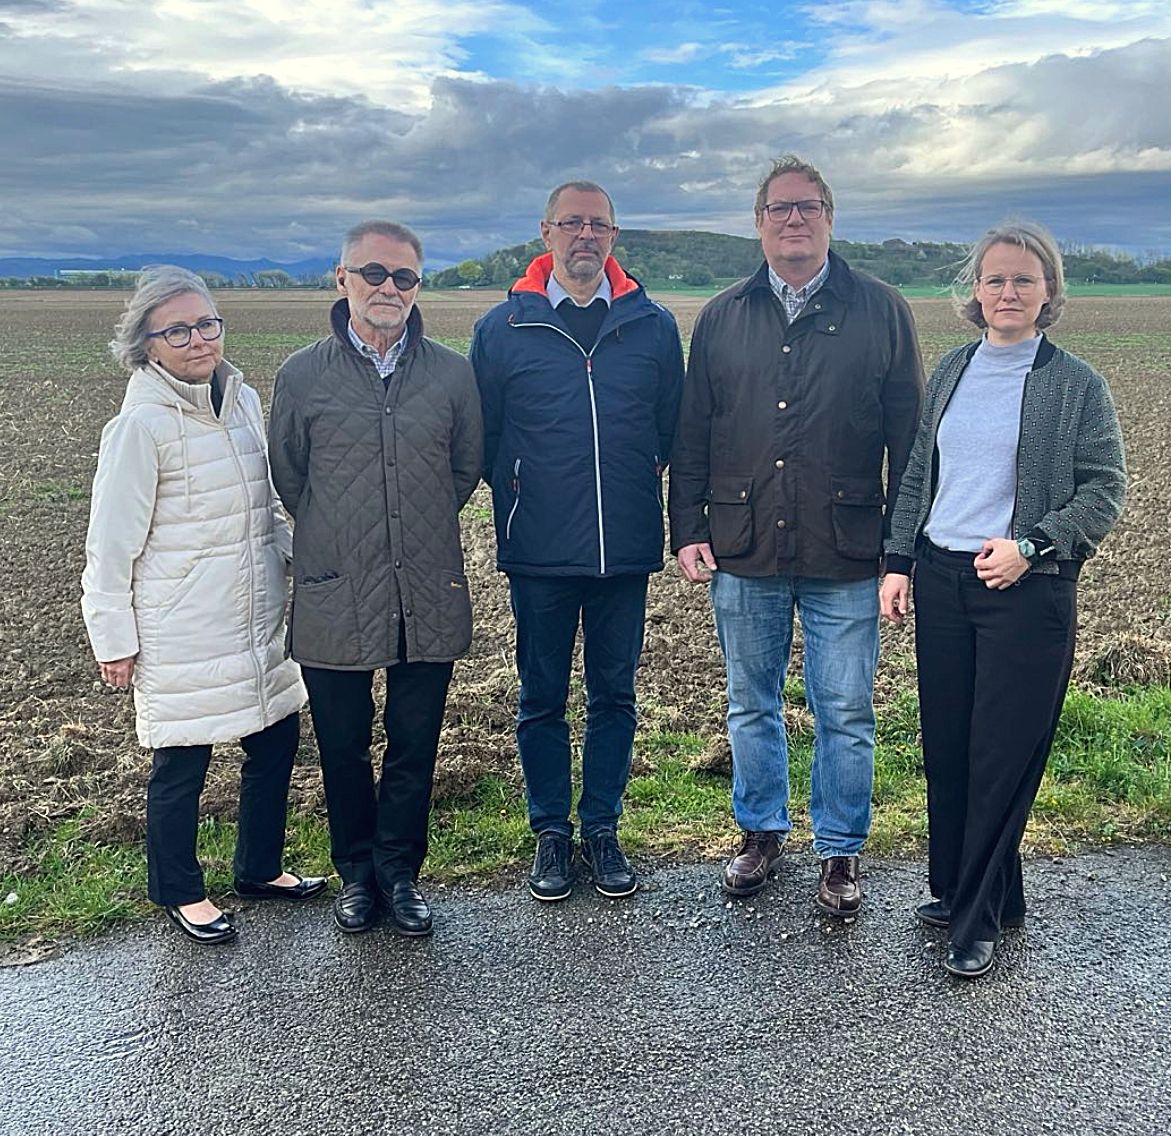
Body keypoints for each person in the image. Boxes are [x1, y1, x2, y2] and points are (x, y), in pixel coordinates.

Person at [669, 155, 924, 915]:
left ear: (830, 218)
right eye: (779, 208)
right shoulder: (722, 315)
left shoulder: (881, 309)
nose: (793, 220)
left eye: (808, 207)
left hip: (846, 548)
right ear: (758, 222)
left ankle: (841, 850)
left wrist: (899, 548)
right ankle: (761, 834)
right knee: (750, 703)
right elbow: (693, 434)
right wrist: (687, 526)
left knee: (845, 707)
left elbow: (910, 442)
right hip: (744, 546)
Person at [880, 220, 1125, 978]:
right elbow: (921, 472)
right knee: (950, 748)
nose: (1008, 292)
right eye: (994, 279)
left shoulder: (1075, 383)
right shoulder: (953, 371)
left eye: (1024, 279)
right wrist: (897, 563)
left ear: (1048, 291)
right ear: (975, 292)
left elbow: (1105, 489)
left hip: (1025, 589)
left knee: (1001, 754)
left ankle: (977, 918)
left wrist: (1034, 546)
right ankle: (969, 889)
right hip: (943, 578)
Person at [81, 266, 324, 947]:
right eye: (177, 330)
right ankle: (180, 890)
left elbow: (268, 503)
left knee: (275, 740)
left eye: (206, 324)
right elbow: (110, 545)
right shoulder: (140, 427)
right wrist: (113, 637)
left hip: (256, 614)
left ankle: (259, 870)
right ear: (147, 345)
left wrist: (304, 557)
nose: (197, 340)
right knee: (181, 760)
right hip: (181, 623)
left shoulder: (241, 401)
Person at [470, 181, 684, 901]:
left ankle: (602, 828)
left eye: (599, 225)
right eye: (572, 223)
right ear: (546, 234)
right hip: (539, 549)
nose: (585, 236)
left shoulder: (651, 325)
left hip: (623, 547)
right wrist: (522, 493)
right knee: (540, 699)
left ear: (614, 238)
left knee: (614, 696)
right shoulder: (503, 329)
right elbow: (488, 437)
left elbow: (669, 430)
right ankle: (551, 837)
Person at [268, 220, 482, 937]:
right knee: (343, 744)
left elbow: (463, 470)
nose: (389, 289)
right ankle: (357, 873)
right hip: (337, 588)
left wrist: (407, 527)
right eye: (374, 274)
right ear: (342, 280)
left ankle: (400, 871)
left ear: (419, 286)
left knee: (415, 742)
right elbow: (291, 477)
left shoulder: (452, 374)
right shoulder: (302, 376)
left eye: (404, 278)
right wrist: (351, 532)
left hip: (426, 585)